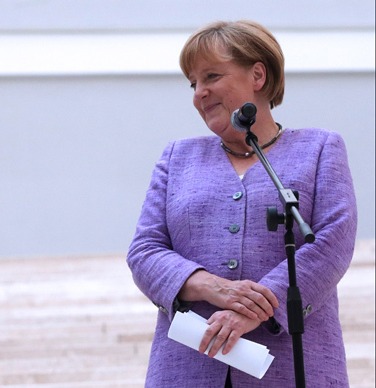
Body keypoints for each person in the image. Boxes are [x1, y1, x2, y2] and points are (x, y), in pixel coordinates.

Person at [126, 20, 357, 387]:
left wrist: (257, 309)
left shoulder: (319, 149)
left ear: (258, 75)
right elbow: (145, 250)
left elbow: (332, 242)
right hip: (189, 364)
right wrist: (210, 286)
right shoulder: (177, 157)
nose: (199, 93)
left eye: (211, 76)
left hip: (292, 364)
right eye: (193, 83)